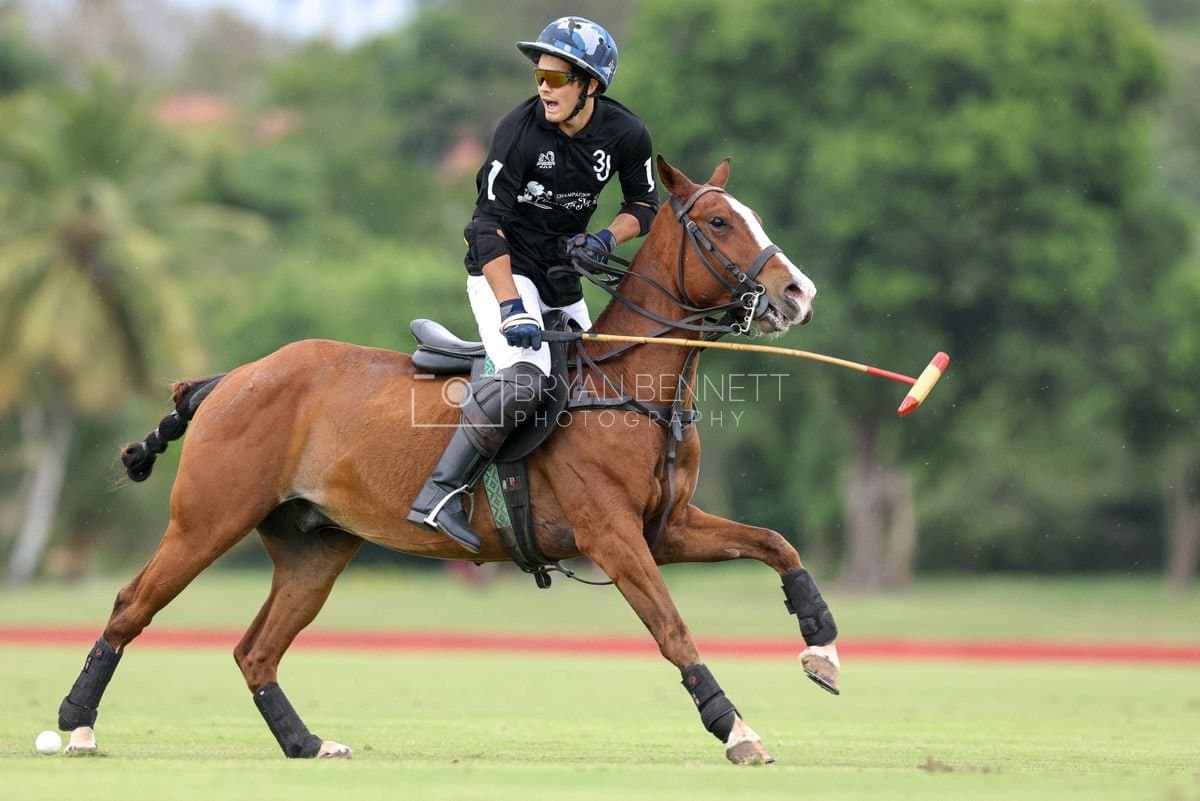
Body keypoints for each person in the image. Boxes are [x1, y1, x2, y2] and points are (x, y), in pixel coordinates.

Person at [407, 16, 660, 553]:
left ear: (590, 85)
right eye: (539, 76)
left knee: (597, 383)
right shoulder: (518, 132)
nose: (544, 87)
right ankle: (440, 494)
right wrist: (511, 308)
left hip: (562, 280)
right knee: (526, 382)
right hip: (503, 268)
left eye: (556, 78)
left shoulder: (626, 133)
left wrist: (606, 239)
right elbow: (486, 226)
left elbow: (643, 204)